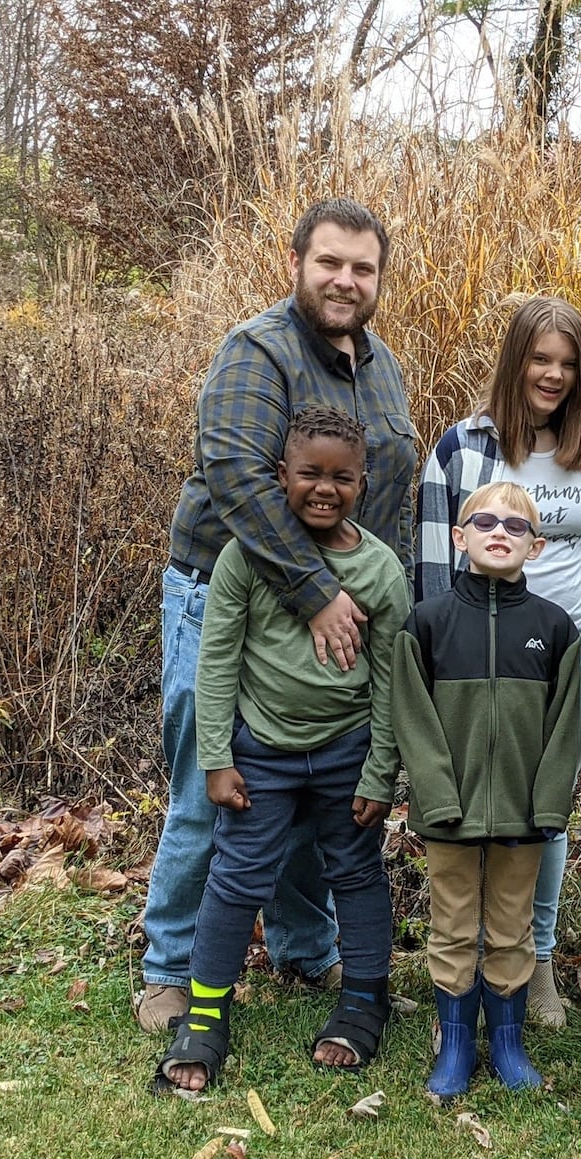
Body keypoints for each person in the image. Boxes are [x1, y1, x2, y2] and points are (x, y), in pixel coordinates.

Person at [138, 199, 418, 1035]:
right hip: (233, 599)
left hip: (339, 608)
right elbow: (239, 478)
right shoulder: (257, 351)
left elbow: (387, 496)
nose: (345, 279)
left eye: (362, 268)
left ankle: (304, 947)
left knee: (316, 788)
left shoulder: (382, 368)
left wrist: (380, 598)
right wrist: (316, 593)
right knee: (214, 787)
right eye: (330, 262)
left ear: (378, 279)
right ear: (296, 261)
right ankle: (170, 969)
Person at [154, 408, 409, 1091]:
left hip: (345, 750)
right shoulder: (246, 557)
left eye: (341, 478)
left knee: (354, 873)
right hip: (260, 750)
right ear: (280, 477)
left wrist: (381, 771)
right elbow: (216, 663)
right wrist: (216, 758)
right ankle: (205, 1017)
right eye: (308, 474)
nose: (324, 489)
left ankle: (362, 1001)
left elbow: (391, 683)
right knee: (236, 877)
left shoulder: (381, 571)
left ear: (363, 482)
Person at [416, 296, 581, 1027]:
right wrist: (439, 660)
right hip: (473, 659)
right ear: (515, 360)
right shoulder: (463, 448)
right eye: (541, 359)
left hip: (571, 655)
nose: (554, 375)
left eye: (567, 364)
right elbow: (435, 566)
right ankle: (461, 966)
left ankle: (534, 969)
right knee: (465, 806)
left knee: (544, 809)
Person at [395, 481, 581, 1098]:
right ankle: (455, 1046)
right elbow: (412, 716)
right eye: (484, 522)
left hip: (524, 814)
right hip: (447, 811)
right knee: (451, 925)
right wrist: (437, 796)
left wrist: (548, 804)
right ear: (458, 538)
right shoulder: (428, 623)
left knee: (511, 926)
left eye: (516, 525)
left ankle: (506, 1044)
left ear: (535, 546)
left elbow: (564, 729)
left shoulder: (554, 630)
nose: (499, 532)